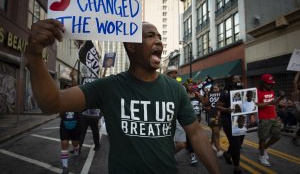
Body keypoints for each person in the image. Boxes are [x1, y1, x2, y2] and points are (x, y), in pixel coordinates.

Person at [25, 19, 221, 174]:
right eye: (150, 36)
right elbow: (52, 103)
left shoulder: (175, 89)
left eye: (160, 37)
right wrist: (35, 55)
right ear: (131, 46)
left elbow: (195, 133)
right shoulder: (109, 87)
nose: (159, 41)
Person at [217, 75, 244, 174]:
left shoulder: (242, 90)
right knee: (236, 144)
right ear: (231, 81)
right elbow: (218, 106)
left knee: (238, 142)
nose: (238, 81)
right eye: (235, 79)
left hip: (240, 120)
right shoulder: (225, 92)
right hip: (228, 120)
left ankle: (228, 154)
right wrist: (226, 109)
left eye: (239, 79)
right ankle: (237, 168)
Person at [256, 74, 281, 167]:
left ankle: (264, 148)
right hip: (263, 118)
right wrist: (269, 102)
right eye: (268, 83)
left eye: (271, 83)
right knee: (263, 138)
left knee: (277, 135)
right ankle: (262, 155)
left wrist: (277, 116)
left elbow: (273, 105)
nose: (270, 85)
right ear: (263, 83)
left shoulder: (271, 91)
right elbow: (257, 105)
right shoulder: (257, 92)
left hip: (273, 117)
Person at [59, 72, 80, 174]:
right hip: (65, 125)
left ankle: (76, 155)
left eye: (69, 88)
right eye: (66, 88)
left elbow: (75, 86)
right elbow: (60, 114)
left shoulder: (74, 98)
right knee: (64, 143)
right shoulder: (61, 99)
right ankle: (65, 167)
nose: (68, 90)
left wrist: (73, 77)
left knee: (75, 144)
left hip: (75, 124)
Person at [165, 66, 187, 153]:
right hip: (165, 117)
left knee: (182, 144)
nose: (173, 75)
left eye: (175, 73)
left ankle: (169, 156)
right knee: (166, 143)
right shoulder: (162, 86)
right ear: (168, 75)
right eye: (171, 73)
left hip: (178, 117)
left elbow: (185, 102)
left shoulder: (181, 87)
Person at [184, 78, 203, 165]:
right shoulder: (184, 95)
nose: (191, 86)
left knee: (195, 136)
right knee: (191, 136)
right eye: (189, 85)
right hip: (188, 119)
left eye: (192, 85)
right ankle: (192, 154)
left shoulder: (196, 95)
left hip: (197, 118)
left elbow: (204, 102)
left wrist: (199, 95)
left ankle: (190, 148)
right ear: (186, 86)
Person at [203, 83, 223, 157]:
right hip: (212, 116)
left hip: (220, 116)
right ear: (211, 90)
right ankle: (218, 150)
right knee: (216, 132)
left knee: (215, 132)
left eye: (217, 88)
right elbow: (204, 105)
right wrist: (207, 95)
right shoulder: (209, 95)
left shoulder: (221, 95)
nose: (216, 90)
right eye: (214, 89)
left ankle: (210, 145)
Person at [291, 72, 300, 146]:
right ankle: (295, 137)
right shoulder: (296, 92)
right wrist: (298, 72)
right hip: (298, 111)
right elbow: (294, 82)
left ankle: (295, 137)